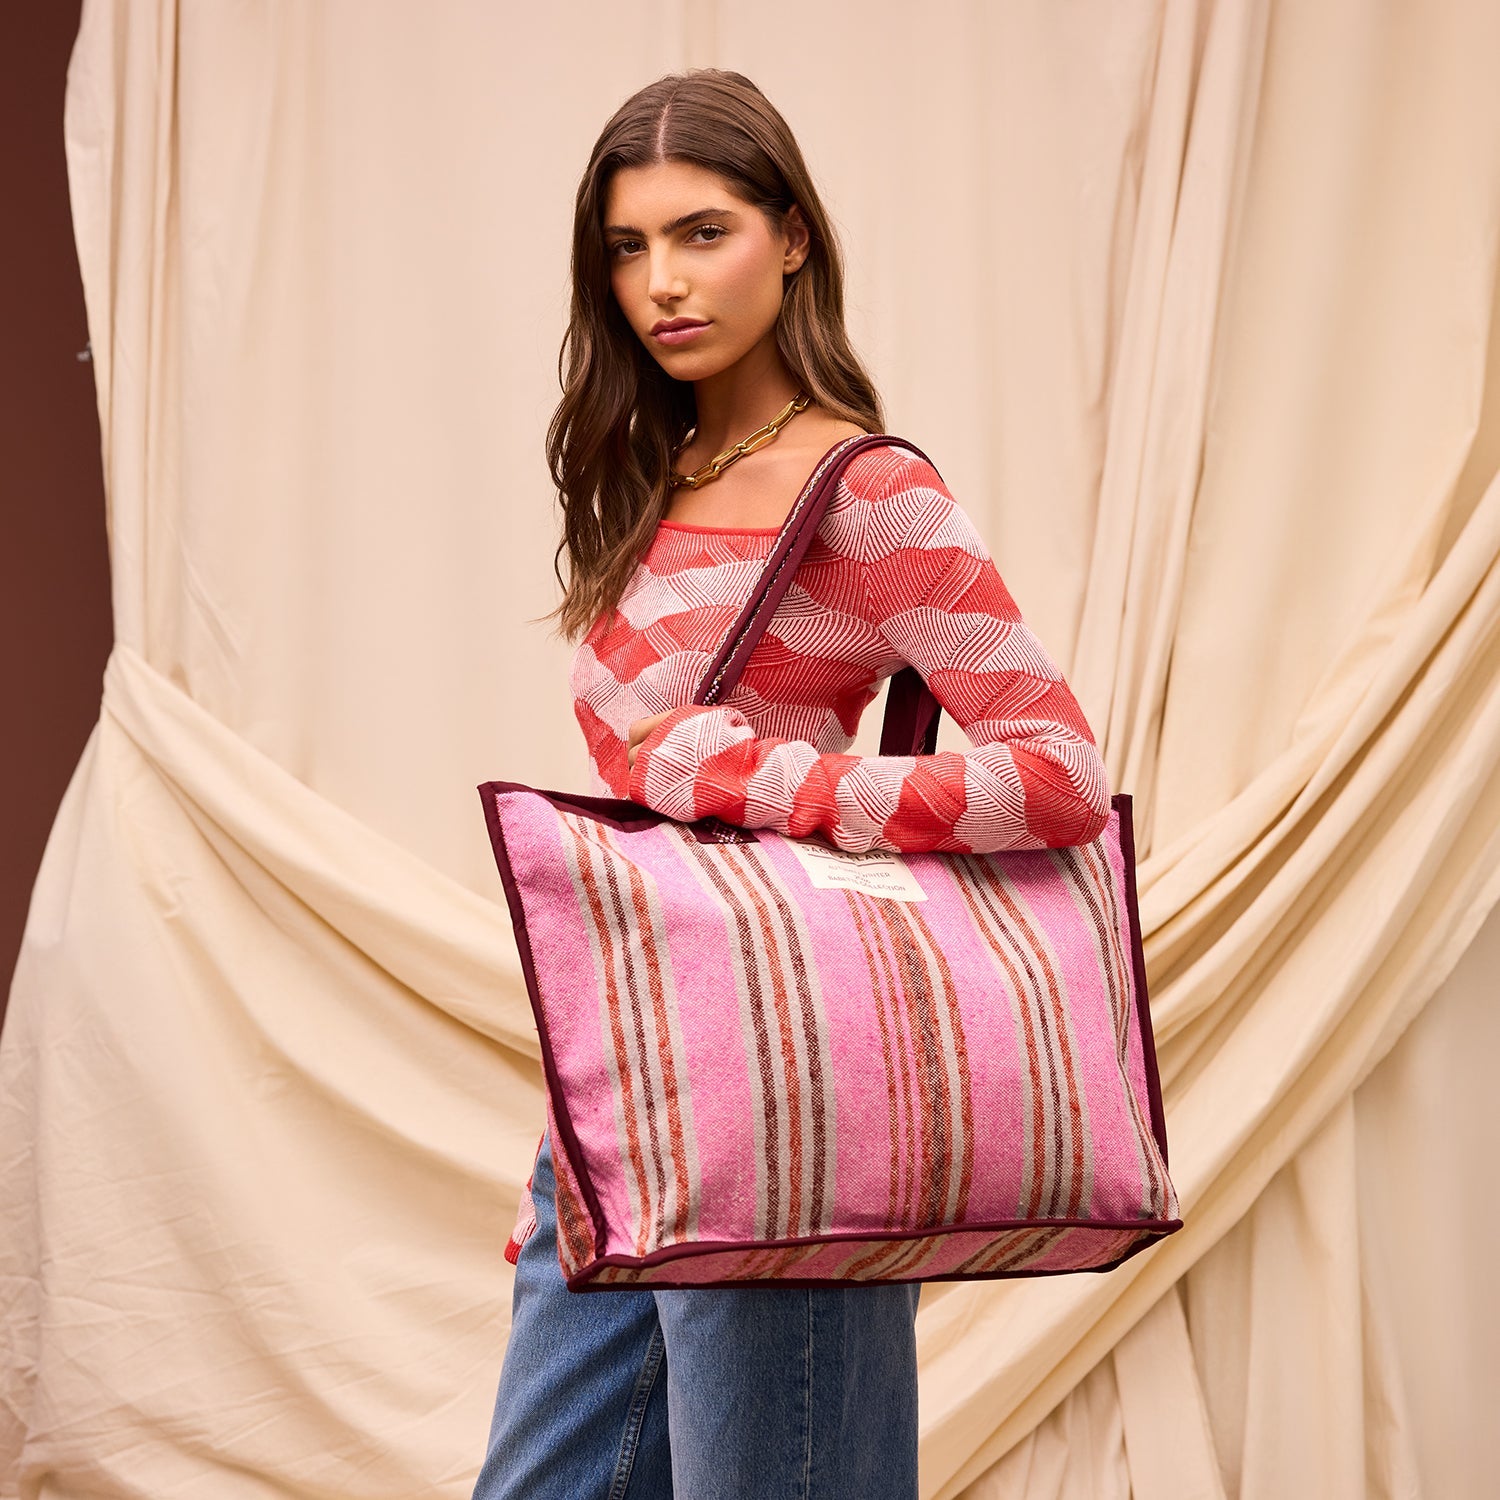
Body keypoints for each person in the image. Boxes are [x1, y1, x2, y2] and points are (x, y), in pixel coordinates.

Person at [471, 67, 1110, 1500]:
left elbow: (1059, 774)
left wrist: (764, 776)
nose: (662, 285)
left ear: (794, 237)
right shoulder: (660, 465)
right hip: (635, 1098)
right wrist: (574, 1130)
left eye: (704, 234)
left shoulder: (867, 491)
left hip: (786, 1101)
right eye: (628, 249)